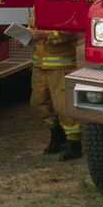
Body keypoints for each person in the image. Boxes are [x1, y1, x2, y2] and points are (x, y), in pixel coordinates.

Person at [28, 12, 82, 161]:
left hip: (60, 66)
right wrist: (27, 36)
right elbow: (33, 28)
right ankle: (57, 134)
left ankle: (74, 142)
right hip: (39, 65)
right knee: (38, 102)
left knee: (63, 105)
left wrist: (45, 35)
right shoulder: (37, 6)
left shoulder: (62, 3)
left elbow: (69, 32)